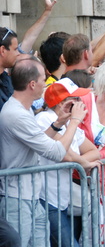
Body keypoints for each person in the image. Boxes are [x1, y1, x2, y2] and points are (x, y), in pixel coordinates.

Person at [0, 57, 86, 247]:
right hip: (17, 197)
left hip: (30, 195)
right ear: (32, 84)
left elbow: (37, 143)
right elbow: (55, 152)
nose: (46, 84)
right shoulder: (16, 114)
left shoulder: (24, 109)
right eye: (42, 80)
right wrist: (74, 121)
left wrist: (59, 123)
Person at [36, 78, 101, 247]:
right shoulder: (45, 119)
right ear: (62, 103)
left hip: (62, 200)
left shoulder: (70, 124)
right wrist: (79, 164)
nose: (81, 103)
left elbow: (94, 151)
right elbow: (66, 155)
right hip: (46, 199)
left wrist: (79, 163)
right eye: (76, 99)